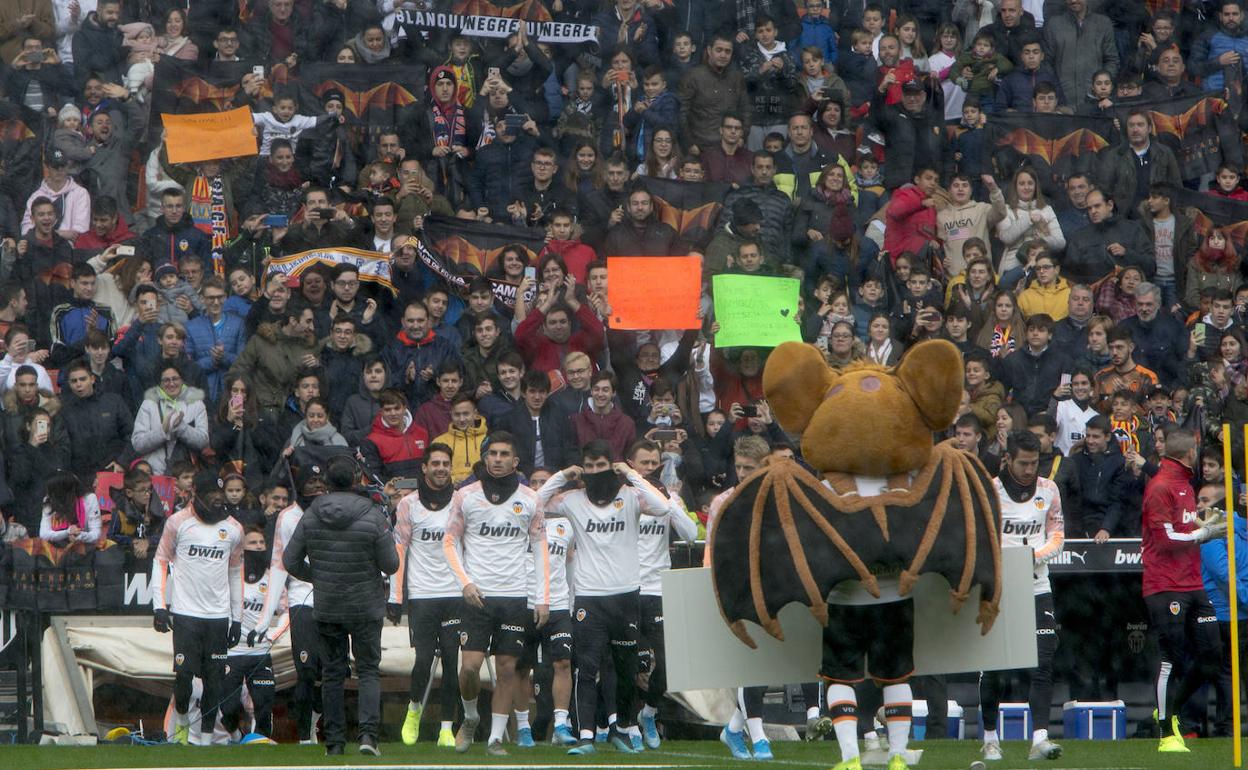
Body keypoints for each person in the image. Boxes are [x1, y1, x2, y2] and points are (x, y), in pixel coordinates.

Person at [539, 441, 671, 754]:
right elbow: (535, 503)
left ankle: (623, 728)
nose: (596, 472)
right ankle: (586, 736)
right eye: (590, 466)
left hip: (626, 595)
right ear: (583, 470)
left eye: (601, 465)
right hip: (588, 598)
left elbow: (663, 507)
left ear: (611, 466)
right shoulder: (571, 499)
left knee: (626, 669)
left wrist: (632, 473)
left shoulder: (630, 495)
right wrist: (562, 475)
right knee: (586, 668)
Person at [282, 455, 400, 757]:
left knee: (334, 672)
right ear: (358, 478)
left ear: (327, 483)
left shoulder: (310, 515)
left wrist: (318, 577)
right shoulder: (374, 515)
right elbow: (391, 563)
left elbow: (290, 561)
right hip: (366, 605)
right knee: (368, 670)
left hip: (329, 605)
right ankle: (368, 737)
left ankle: (334, 742)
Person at [442, 432, 549, 756]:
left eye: (505, 454)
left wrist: (541, 597)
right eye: (493, 454)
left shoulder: (531, 498)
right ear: (485, 458)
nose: (498, 459)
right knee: (470, 667)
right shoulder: (466, 495)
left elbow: (540, 546)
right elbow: (448, 542)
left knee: (506, 669)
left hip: (515, 596)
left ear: (515, 462)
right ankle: (472, 717)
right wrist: (465, 583)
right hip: (477, 597)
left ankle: (496, 739)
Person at [980, 430, 1064, 762]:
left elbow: (1058, 534)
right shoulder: (991, 490)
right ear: (1008, 460)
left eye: (1034, 463)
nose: (1030, 470)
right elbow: (981, 538)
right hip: (999, 589)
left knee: (1043, 664)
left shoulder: (1049, 489)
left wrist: (1034, 556)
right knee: (996, 669)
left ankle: (1040, 739)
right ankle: (989, 738)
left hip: (1037, 585)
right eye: (1023, 463)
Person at [1141, 427, 1226, 753]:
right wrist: (1202, 535)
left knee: (1211, 657)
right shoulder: (1160, 487)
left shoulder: (1185, 486)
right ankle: (1166, 734)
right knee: (1170, 660)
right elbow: (1163, 538)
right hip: (1165, 585)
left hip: (1192, 583)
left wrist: (1202, 524)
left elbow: (1182, 527)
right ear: (1189, 453)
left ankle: (1169, 709)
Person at [150, 481, 245, 745]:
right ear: (197, 495)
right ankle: (180, 724)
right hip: (185, 613)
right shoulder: (178, 522)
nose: (217, 499)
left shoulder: (234, 528)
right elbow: (160, 561)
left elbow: (235, 573)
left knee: (215, 680)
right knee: (184, 677)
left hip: (217, 616)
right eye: (211, 493)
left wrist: (236, 619)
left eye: (220, 493)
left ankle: (204, 742)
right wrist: (160, 605)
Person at [390, 443, 461, 749]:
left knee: (451, 658)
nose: (441, 468)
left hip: (455, 592)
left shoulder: (462, 501)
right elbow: (399, 551)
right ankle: (413, 712)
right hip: (422, 594)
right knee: (422, 659)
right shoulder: (408, 504)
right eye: (436, 463)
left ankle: (447, 727)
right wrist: (396, 596)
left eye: (446, 463)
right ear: (424, 467)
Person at [629, 439, 699, 749]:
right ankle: (624, 724)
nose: (649, 468)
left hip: (657, 589)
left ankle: (649, 713)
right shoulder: (622, 498)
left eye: (653, 462)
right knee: (628, 662)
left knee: (669, 664)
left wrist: (668, 500)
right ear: (631, 465)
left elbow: (691, 534)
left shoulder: (669, 499)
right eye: (643, 463)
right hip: (625, 589)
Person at [252, 465, 323, 746]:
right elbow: (279, 564)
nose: (316, 487)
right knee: (305, 670)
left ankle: (319, 725)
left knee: (330, 672)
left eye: (321, 481)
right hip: (301, 597)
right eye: (311, 481)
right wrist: (266, 616)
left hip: (334, 599)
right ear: (300, 486)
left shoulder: (334, 509)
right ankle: (305, 737)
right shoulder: (287, 517)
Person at [220, 527, 281, 741]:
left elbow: (288, 610)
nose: (258, 546)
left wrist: (273, 634)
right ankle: (237, 737)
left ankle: (261, 743)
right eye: (253, 542)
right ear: (242, 548)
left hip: (261, 652)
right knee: (227, 709)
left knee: (264, 706)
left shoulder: (273, 578)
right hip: (232, 652)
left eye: (261, 543)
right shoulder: (230, 575)